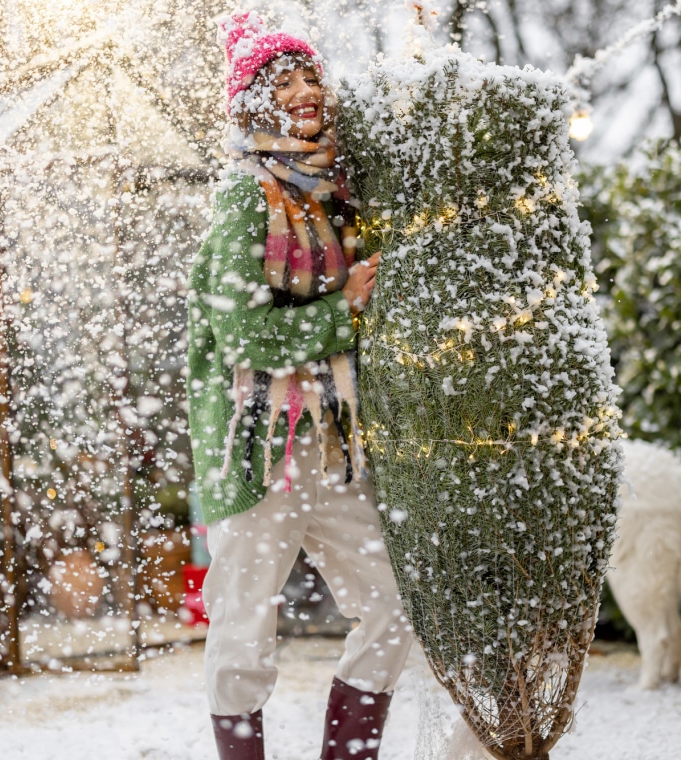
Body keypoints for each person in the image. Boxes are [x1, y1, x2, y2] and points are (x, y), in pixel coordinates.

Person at [187, 11, 411, 760]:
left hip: (330, 445)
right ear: (254, 103)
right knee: (245, 632)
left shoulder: (333, 195)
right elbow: (242, 338)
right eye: (283, 81)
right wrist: (341, 308)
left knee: (390, 607)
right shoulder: (244, 199)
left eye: (310, 74)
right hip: (256, 451)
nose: (305, 90)